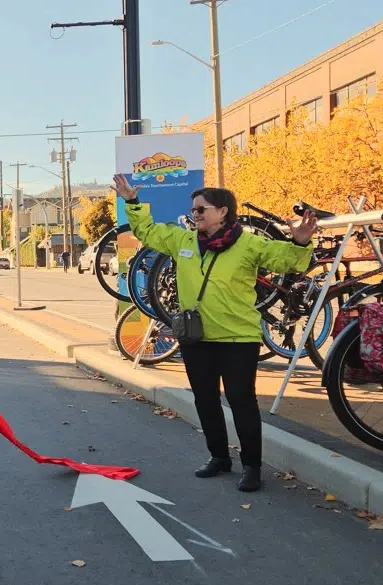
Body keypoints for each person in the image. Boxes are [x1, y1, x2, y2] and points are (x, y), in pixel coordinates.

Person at [112, 174, 318, 492]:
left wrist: (301, 241)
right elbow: (148, 232)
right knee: (205, 400)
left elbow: (287, 260)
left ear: (223, 212)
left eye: (201, 209)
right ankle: (219, 457)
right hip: (197, 339)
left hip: (238, 338)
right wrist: (132, 202)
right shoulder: (183, 241)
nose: (194, 214)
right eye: (193, 210)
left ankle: (252, 467)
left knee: (241, 402)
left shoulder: (249, 243)